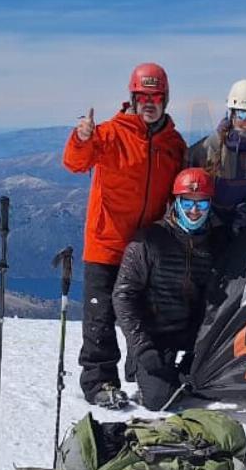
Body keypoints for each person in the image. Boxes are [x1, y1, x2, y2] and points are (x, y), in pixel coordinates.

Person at [63, 62, 188, 409]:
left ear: (166, 99)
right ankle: (99, 379)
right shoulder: (110, 133)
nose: (149, 102)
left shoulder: (173, 143)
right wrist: (81, 137)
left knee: (143, 314)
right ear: (132, 97)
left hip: (147, 247)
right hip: (106, 242)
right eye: (142, 96)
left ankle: (142, 367)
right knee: (100, 316)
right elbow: (75, 162)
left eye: (156, 96)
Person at [112, 168, 227, 411]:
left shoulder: (216, 241)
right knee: (159, 402)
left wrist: (201, 347)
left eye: (202, 204)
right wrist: (142, 347)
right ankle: (146, 371)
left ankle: (185, 373)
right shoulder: (149, 240)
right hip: (155, 336)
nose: (194, 211)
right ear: (175, 202)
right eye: (187, 203)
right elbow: (123, 296)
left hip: (193, 336)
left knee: (211, 386)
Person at [187, 79, 246, 231]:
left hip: (244, 230)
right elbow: (188, 189)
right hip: (209, 230)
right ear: (232, 112)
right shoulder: (208, 148)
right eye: (242, 114)